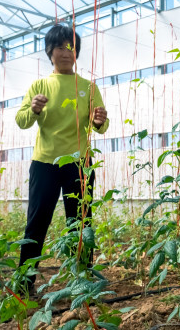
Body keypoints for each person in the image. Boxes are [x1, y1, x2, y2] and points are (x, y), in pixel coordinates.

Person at [15, 23, 109, 292]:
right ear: (49, 52)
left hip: (78, 164)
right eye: (60, 47)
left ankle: (83, 281)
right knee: (36, 222)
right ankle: (24, 283)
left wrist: (99, 120)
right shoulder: (40, 85)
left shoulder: (88, 87)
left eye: (72, 47)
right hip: (45, 163)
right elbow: (22, 121)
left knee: (81, 223)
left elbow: (100, 123)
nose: (67, 52)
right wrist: (33, 109)